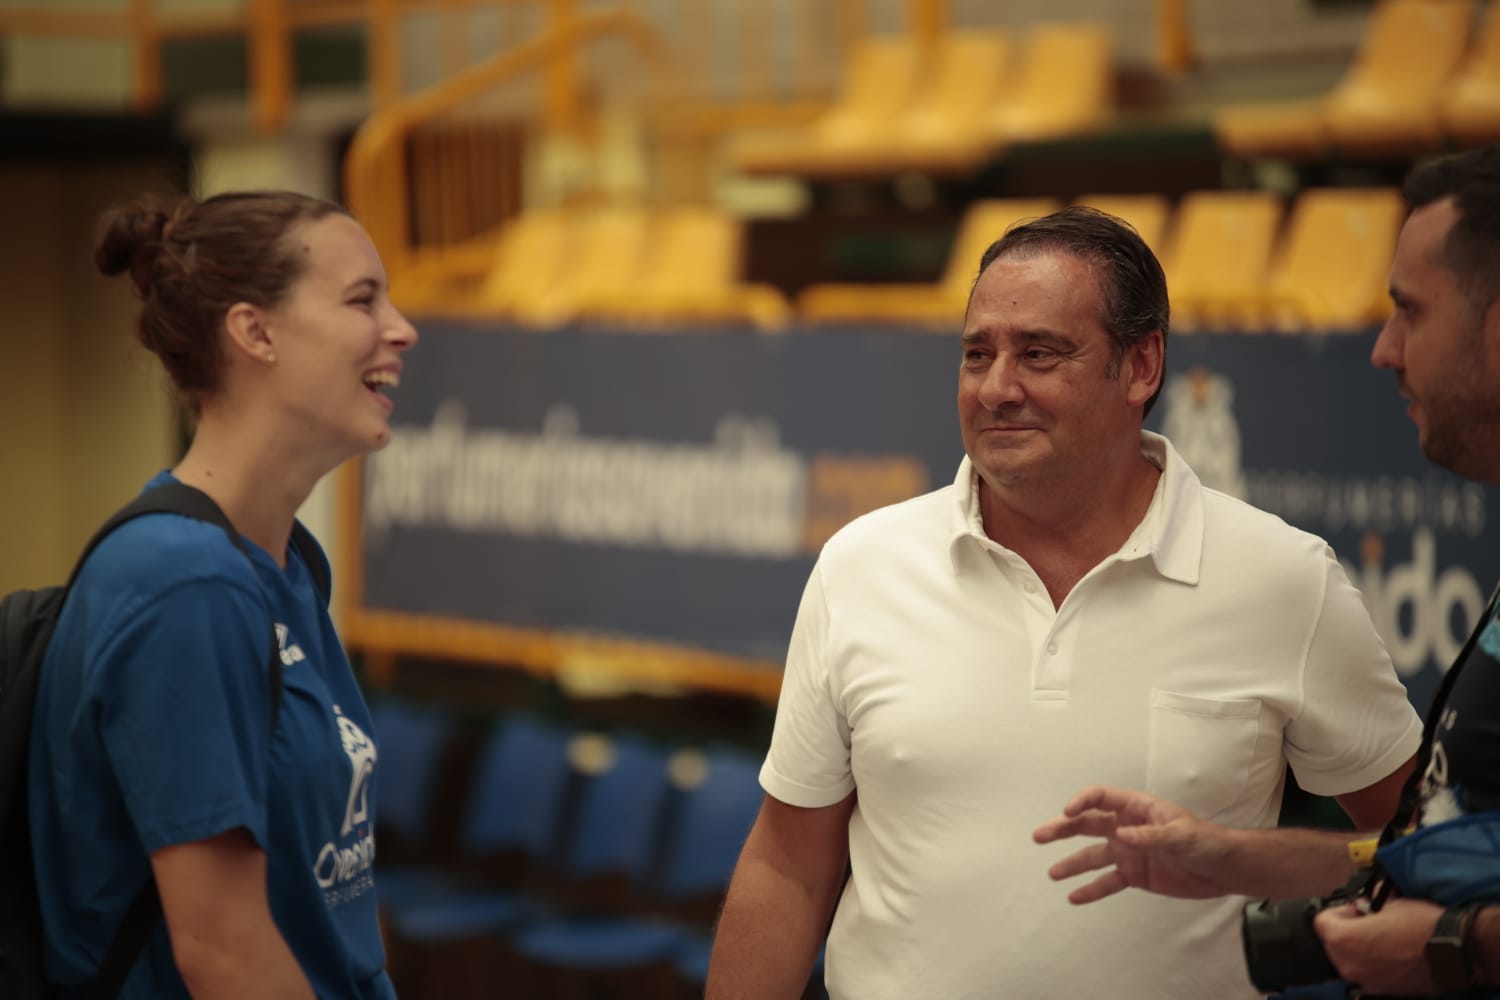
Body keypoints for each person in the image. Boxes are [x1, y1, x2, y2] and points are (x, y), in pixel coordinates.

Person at [705, 205, 1423, 1000]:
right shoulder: (862, 566)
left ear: (1142, 366)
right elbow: (789, 867)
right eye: (977, 354)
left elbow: (1422, 844)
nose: (997, 388)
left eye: (1040, 354)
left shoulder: (1284, 579)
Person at [1034, 147, 1500, 997]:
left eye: (1410, 311)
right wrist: (1233, 856)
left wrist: (1455, 945)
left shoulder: (1280, 574)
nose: (1384, 350)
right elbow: (1427, 850)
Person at [27, 190, 418, 997]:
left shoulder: (285, 562)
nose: (401, 328)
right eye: (362, 300)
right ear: (254, 332)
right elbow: (224, 952)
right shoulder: (183, 583)